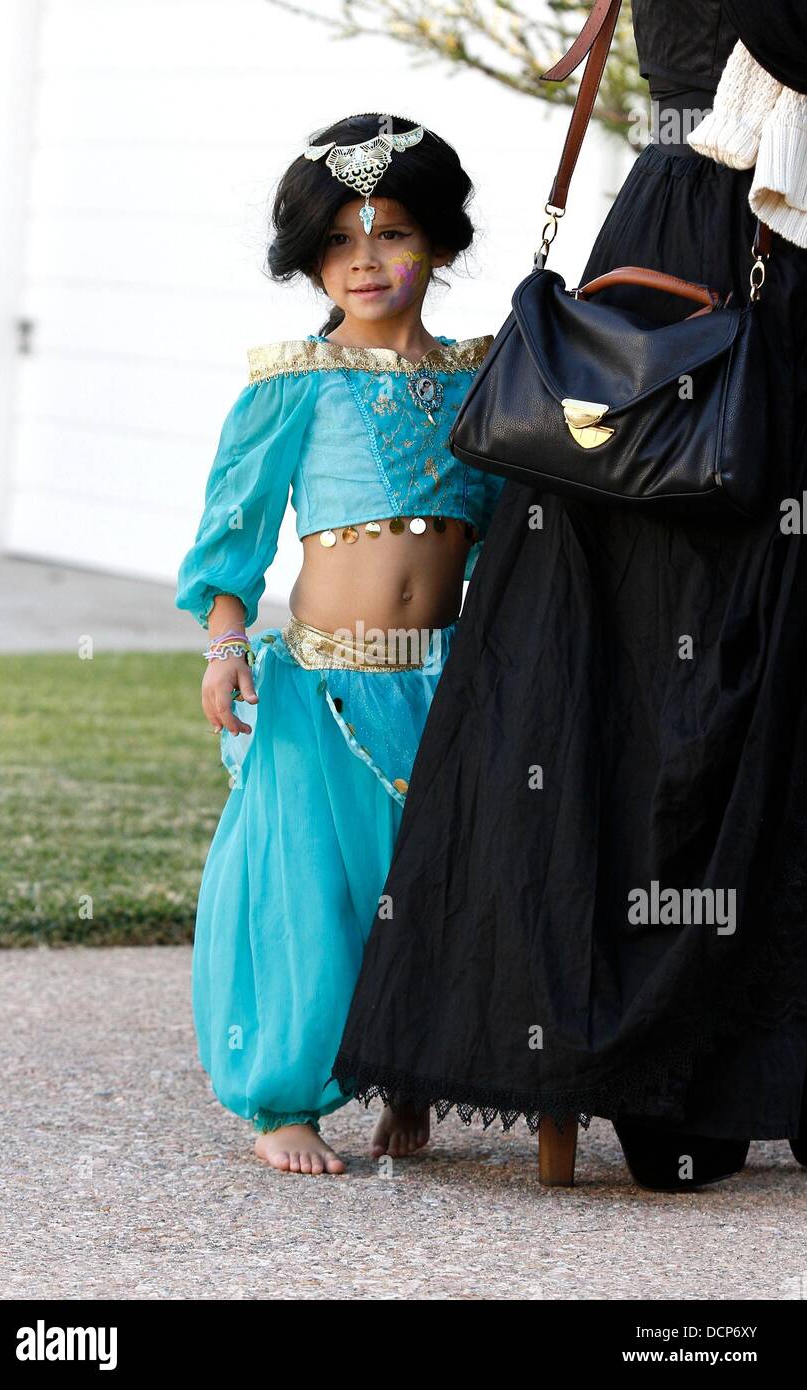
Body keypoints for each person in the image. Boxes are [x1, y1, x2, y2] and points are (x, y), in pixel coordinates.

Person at [329, 3, 807, 1189]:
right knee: (682, 671)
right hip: (723, 254)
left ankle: (720, 1077)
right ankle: (678, 1078)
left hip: (712, 242)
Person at [174, 112, 504, 1176]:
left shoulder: (479, 378)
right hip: (324, 689)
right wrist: (226, 647)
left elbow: (512, 524)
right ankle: (285, 1098)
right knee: (313, 894)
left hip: (443, 681)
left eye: (394, 234)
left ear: (442, 245)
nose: (366, 262)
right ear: (310, 257)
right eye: (339, 242)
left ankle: (408, 1071)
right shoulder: (291, 383)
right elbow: (229, 543)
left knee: (424, 887)